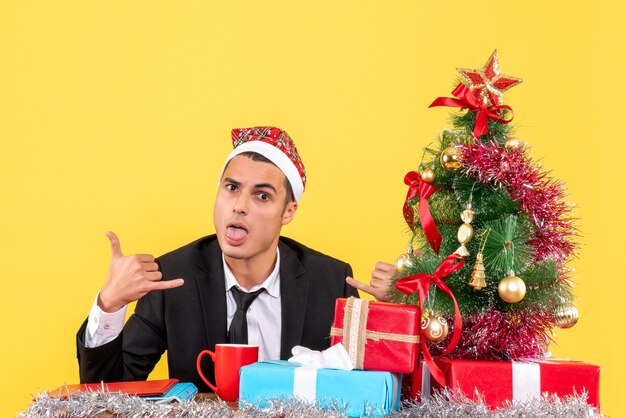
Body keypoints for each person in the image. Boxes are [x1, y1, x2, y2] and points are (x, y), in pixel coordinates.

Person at [76, 126, 396, 391]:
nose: (240, 206)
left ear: (288, 211)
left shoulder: (331, 282)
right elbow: (106, 394)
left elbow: (364, 388)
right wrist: (109, 305)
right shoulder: (173, 277)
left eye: (262, 195)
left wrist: (393, 314)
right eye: (232, 188)